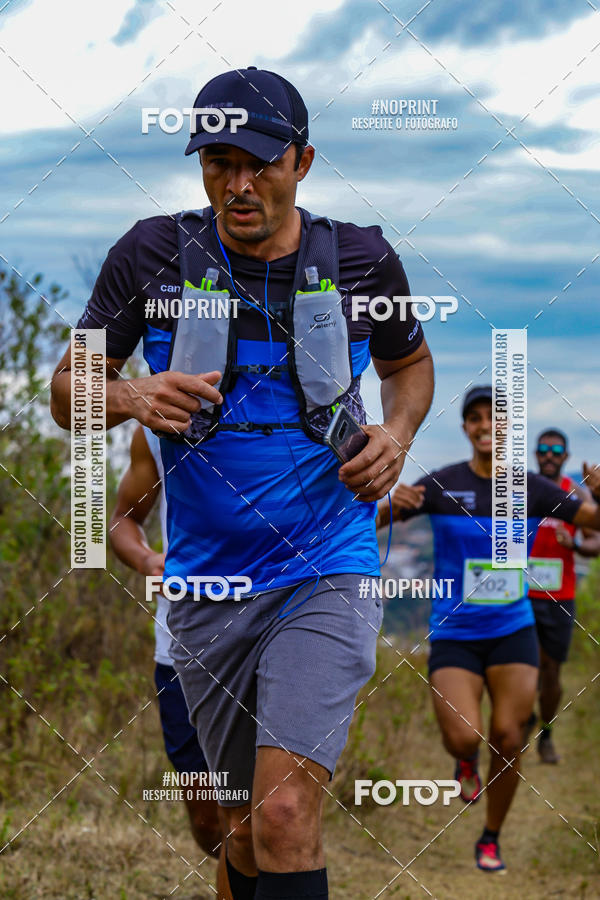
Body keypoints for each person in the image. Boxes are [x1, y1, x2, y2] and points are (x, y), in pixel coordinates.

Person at [50, 67, 434, 900]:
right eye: (217, 161)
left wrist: (396, 435)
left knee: (286, 815)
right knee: (239, 833)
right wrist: (127, 393)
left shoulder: (363, 261)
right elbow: (64, 395)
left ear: (301, 159)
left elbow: (410, 365)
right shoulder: (151, 255)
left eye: (259, 162)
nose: (239, 183)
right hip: (208, 588)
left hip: (325, 567)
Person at [376, 385, 600, 874]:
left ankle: (491, 836)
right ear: (465, 428)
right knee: (464, 737)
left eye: (495, 418)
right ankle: (462, 760)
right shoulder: (440, 485)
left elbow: (594, 524)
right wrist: (391, 504)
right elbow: (370, 522)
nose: (485, 426)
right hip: (455, 634)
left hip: (512, 629)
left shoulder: (533, 489)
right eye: (475, 418)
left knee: (507, 735)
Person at [109, 424, 222, 856]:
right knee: (211, 821)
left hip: (277, 641)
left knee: (264, 815)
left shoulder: (306, 411)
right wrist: (147, 560)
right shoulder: (156, 431)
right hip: (182, 650)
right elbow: (124, 518)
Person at [526, 428, 600, 763]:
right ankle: (518, 725)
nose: (550, 454)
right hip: (521, 593)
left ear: (566, 456)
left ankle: (546, 733)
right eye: (544, 449)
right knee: (522, 666)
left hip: (559, 596)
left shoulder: (578, 495)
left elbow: (595, 543)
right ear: (536, 454)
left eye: (557, 449)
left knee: (551, 671)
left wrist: (578, 544)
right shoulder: (522, 490)